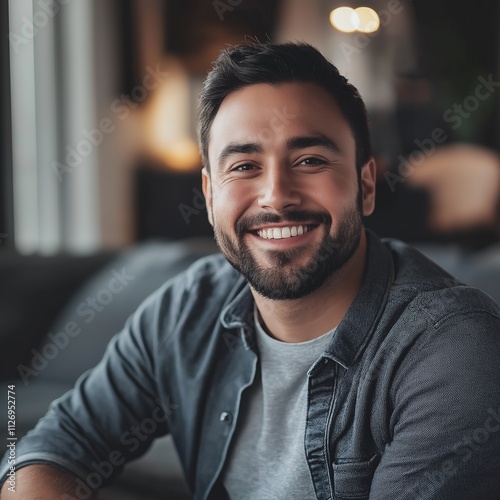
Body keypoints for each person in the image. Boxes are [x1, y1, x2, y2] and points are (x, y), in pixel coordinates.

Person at [2, 42, 500, 500]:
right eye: (243, 166)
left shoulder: (454, 349)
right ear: (210, 192)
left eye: (309, 159)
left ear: (366, 185)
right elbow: (47, 450)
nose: (277, 195)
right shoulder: (186, 309)